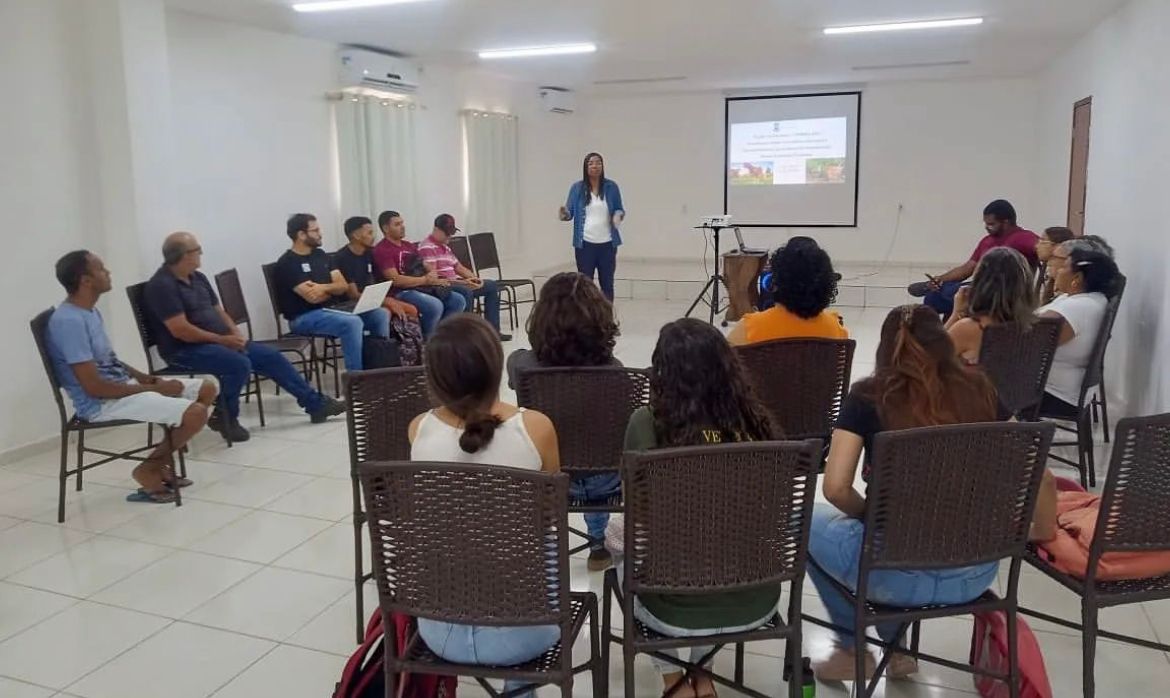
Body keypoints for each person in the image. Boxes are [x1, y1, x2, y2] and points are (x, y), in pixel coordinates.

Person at [809, 305, 1057, 681]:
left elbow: (836, 488)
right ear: (944, 342)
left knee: (800, 521)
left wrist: (867, 515)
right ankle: (898, 655)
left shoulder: (868, 397)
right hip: (975, 573)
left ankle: (851, 649)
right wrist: (1041, 530)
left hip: (890, 574)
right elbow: (1041, 473)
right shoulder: (981, 389)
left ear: (884, 348)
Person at [607, 318, 777, 698]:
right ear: (728, 368)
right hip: (754, 599)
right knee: (714, 542)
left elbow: (637, 511)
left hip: (672, 607)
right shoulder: (757, 425)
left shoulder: (647, 423)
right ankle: (703, 675)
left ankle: (674, 681)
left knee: (624, 541)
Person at [407, 314, 561, 698]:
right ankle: (519, 689)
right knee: (543, 541)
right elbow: (550, 518)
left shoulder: (418, 429)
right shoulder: (536, 427)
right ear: (496, 365)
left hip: (438, 629)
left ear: (434, 377)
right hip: (526, 631)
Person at [46, 251, 218, 503]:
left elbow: (108, 360)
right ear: (86, 281)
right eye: (101, 269)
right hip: (100, 404)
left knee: (207, 389)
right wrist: (154, 390)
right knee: (195, 414)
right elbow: (94, 387)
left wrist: (145, 378)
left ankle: (159, 463)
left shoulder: (89, 312)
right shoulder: (68, 322)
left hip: (120, 388)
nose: (108, 272)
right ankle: (148, 470)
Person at [145, 232, 346, 443]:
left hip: (219, 341)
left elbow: (218, 311)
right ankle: (226, 416)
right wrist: (222, 340)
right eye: (197, 250)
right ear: (184, 255)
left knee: (271, 357)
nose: (201, 253)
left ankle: (316, 405)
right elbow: (181, 330)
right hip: (184, 350)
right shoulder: (162, 286)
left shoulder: (198, 277)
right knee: (238, 363)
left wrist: (234, 333)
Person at [506, 271, 622, 570]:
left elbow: (515, 364)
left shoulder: (522, 366)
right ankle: (597, 545)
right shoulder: (616, 370)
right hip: (607, 483)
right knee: (594, 448)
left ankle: (542, 548)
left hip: (548, 479)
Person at [273, 213, 391, 372]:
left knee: (379, 313)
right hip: (304, 317)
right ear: (301, 235)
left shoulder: (320, 255)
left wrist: (322, 288)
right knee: (352, 322)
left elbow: (342, 285)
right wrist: (331, 289)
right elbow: (312, 298)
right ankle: (356, 378)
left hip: (332, 309)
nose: (320, 234)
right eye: (315, 230)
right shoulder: (288, 263)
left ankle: (379, 367)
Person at [908, 200, 1039, 319]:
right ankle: (934, 287)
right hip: (978, 288)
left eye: (991, 224)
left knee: (937, 298)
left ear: (1006, 222)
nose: (987, 227)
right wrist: (940, 279)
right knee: (946, 295)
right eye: (986, 224)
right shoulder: (987, 241)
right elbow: (967, 268)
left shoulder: (1023, 238)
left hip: (1001, 293)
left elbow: (1044, 249)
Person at [1034, 242, 1122, 416]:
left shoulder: (1078, 307)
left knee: (975, 384)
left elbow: (1024, 340)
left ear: (1078, 278)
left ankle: (983, 438)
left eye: (1064, 266)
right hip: (1057, 387)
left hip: (1052, 394)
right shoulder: (1087, 299)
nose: (1058, 270)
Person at [333, 216, 425, 360]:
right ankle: (382, 356)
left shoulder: (370, 253)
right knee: (383, 313)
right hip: (351, 304)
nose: (373, 236)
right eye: (369, 233)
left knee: (411, 309)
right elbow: (353, 294)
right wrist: (385, 301)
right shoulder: (342, 258)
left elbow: (379, 282)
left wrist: (386, 298)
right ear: (356, 235)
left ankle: (412, 353)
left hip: (374, 298)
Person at [728, 236, 848, 345]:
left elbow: (722, 364)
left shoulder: (750, 328)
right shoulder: (836, 331)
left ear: (775, 282)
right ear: (826, 285)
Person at [371, 210, 465, 338]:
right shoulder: (382, 250)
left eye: (402, 223)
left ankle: (442, 338)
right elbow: (395, 279)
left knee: (457, 300)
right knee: (434, 306)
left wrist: (432, 273)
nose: (402, 226)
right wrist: (425, 280)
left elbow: (424, 263)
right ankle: (427, 343)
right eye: (397, 224)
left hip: (420, 287)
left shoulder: (408, 245)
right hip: (399, 292)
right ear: (386, 228)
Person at [418, 213, 511, 340]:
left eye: (451, 232)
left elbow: (459, 268)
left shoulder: (445, 247)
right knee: (466, 291)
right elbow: (435, 278)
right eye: (447, 233)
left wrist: (474, 278)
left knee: (491, 286)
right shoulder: (427, 247)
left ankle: (493, 332)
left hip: (456, 282)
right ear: (436, 230)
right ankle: (469, 336)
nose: (450, 236)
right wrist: (464, 283)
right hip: (443, 286)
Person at [944, 247, 1037, 364]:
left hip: (975, 382)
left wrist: (956, 314)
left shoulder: (969, 328)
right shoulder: (1033, 328)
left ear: (980, 283)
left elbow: (928, 359)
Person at [559, 152, 625, 301]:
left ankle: (607, 319)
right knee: (584, 285)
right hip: (585, 245)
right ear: (585, 167)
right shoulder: (577, 188)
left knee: (607, 284)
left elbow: (619, 209)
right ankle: (587, 318)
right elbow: (569, 214)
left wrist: (618, 215)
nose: (595, 166)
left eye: (598, 163)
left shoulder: (611, 187)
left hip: (607, 244)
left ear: (602, 166)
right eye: (591, 163)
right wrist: (564, 214)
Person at [1036, 226, 1075, 303]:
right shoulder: (1043, 267)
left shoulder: (1065, 272)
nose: (1037, 246)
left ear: (1057, 245)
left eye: (1043, 240)